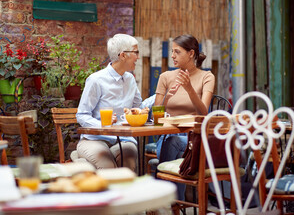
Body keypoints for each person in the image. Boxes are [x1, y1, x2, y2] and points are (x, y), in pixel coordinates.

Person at [154, 34, 215, 200]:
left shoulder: (206, 77)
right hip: (167, 135)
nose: (172, 55)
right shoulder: (165, 77)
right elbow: (157, 118)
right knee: (169, 141)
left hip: (194, 139)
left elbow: (204, 113)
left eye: (177, 52)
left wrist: (189, 89)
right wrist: (167, 97)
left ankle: (168, 202)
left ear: (191, 54)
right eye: (172, 51)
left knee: (171, 143)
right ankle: (171, 203)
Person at [76, 33, 142, 171]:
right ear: (123, 55)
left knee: (128, 160)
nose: (138, 57)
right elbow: (81, 115)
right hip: (94, 139)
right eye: (136, 52)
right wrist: (102, 125)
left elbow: (138, 108)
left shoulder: (130, 79)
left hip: (123, 139)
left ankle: (128, 193)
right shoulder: (96, 80)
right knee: (108, 166)